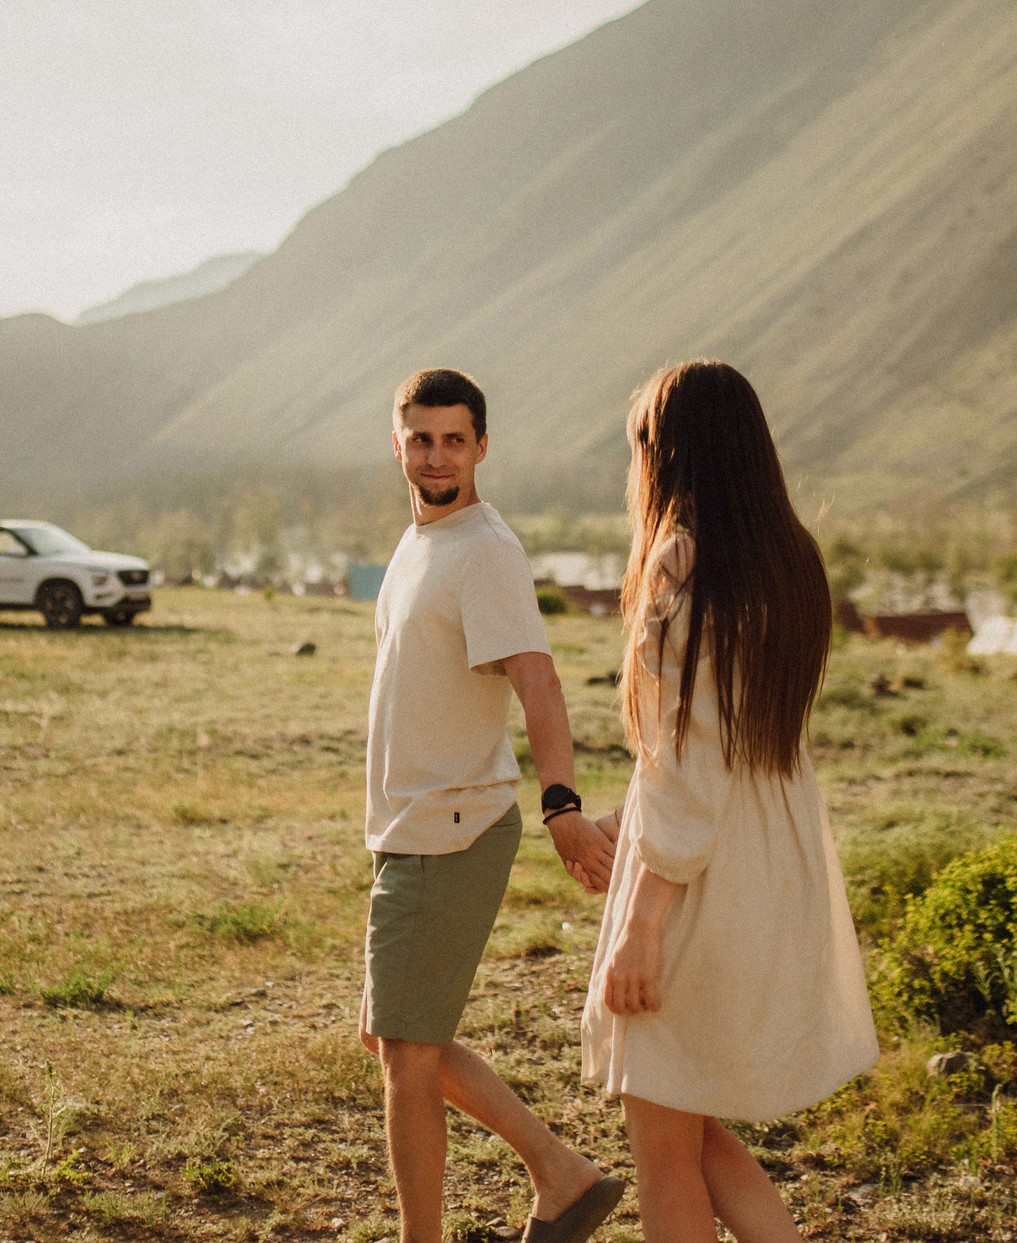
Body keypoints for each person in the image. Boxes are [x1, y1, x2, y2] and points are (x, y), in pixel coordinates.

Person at [580, 360, 878, 1243]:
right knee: (690, 1121)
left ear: (669, 453)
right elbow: (723, 748)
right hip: (766, 859)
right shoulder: (790, 559)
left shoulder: (681, 565)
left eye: (642, 445)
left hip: (698, 882)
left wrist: (640, 921)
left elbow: (689, 765)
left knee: (663, 1141)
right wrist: (631, 826)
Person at [360, 368, 629, 1243]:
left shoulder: (484, 549)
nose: (437, 454)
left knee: (404, 1054)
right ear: (396, 441)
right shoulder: (421, 540)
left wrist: (562, 805)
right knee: (396, 1039)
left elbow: (539, 683)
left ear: (481, 444)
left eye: (454, 438)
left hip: (453, 825)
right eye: (421, 437)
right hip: (413, 824)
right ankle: (562, 1172)